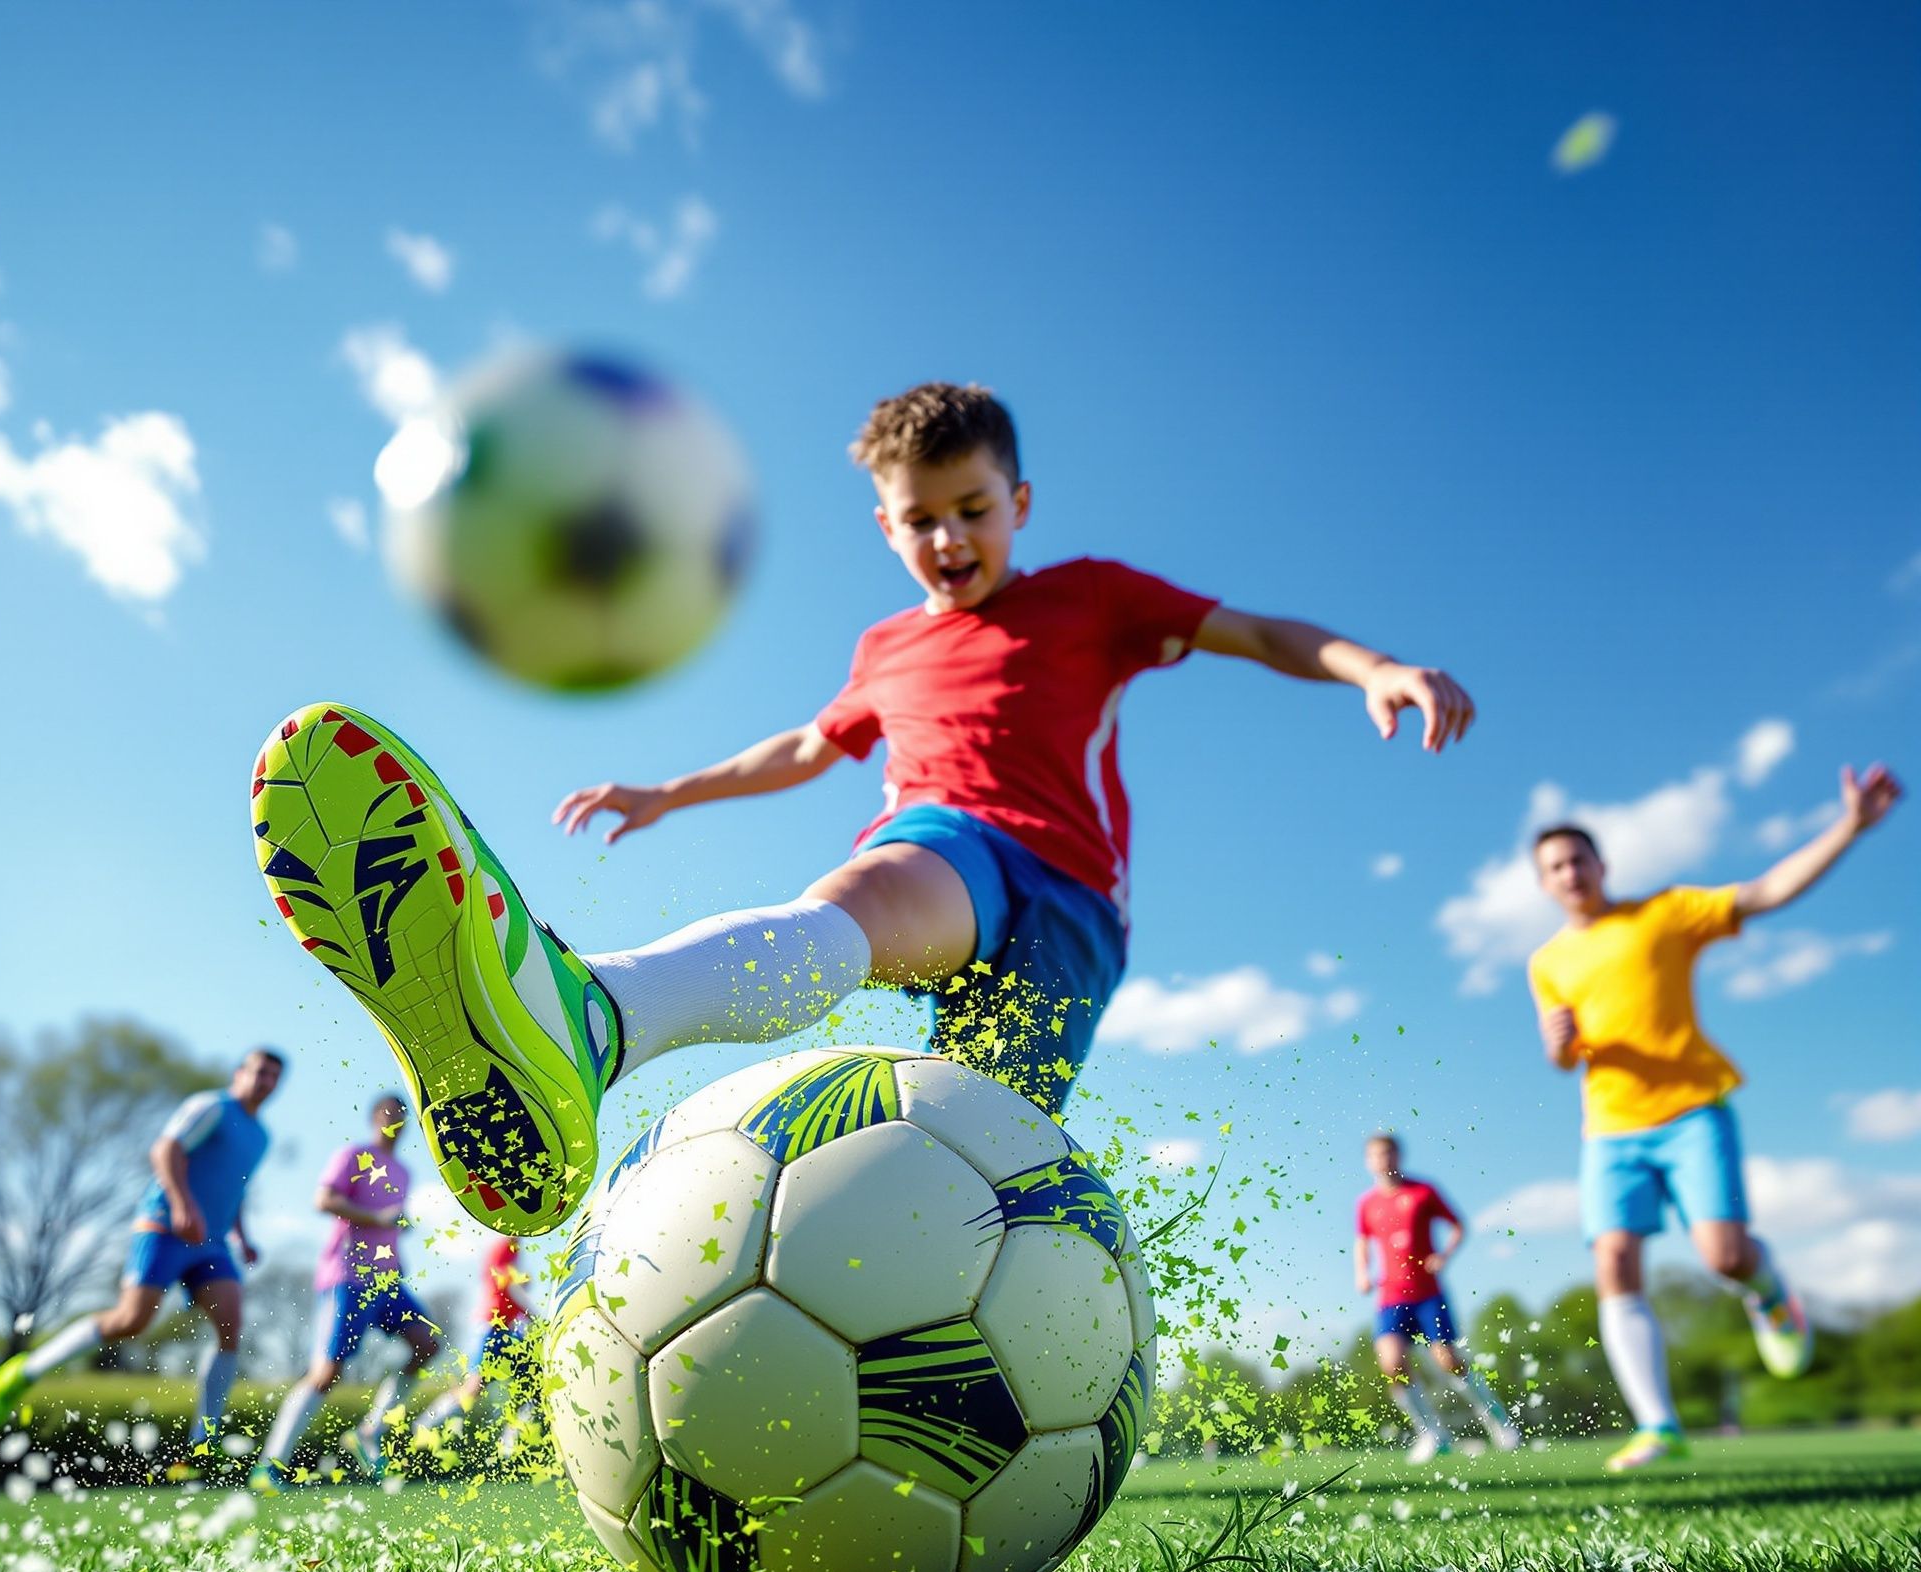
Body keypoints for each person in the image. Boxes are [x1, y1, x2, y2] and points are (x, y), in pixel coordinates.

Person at [251, 381, 1475, 1237]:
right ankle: (589, 1014)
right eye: (920, 518)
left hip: (1075, 912)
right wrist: (669, 791)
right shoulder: (886, 647)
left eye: (971, 509)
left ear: (1020, 503)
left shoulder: (1092, 599)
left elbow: (1253, 629)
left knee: (961, 1173)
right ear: (883, 524)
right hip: (952, 845)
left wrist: (1371, 667)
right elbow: (804, 745)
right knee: (860, 899)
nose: (947, 537)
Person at [1529, 763, 1904, 1472]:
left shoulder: (1664, 914)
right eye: (1554, 866)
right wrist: (1555, 1050)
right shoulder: (1546, 962)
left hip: (1693, 1110)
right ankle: (1659, 1425)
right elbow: (1566, 1053)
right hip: (1608, 1129)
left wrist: (1850, 826)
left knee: (1724, 1256)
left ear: (1600, 864)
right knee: (1613, 1261)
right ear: (1544, 884)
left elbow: (1764, 892)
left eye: (1578, 857)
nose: (1570, 871)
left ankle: (1770, 1291)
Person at [0, 1050, 285, 1444]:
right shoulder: (211, 1107)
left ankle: (201, 1443)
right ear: (239, 1073)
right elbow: (165, 1150)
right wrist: (181, 1204)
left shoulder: (261, 1136)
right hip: (165, 1226)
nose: (265, 1082)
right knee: (131, 1320)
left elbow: (235, 1187)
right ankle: (25, 1371)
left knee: (232, 1326)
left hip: (212, 1243)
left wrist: (242, 1235)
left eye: (274, 1077)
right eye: (259, 1072)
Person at [252, 1092, 443, 1487]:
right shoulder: (355, 1156)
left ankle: (369, 1432)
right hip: (349, 1277)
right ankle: (271, 1465)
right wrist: (376, 1218)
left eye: (404, 1116)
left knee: (428, 1343)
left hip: (389, 1280)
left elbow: (388, 1220)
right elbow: (323, 1200)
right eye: (391, 1114)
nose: (398, 1121)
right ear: (375, 1117)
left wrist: (396, 1226)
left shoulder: (404, 1172)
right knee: (327, 1373)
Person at [1353, 1131, 1519, 1461]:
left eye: (1389, 1153)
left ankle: (1496, 1418)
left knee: (1447, 1360)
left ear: (1398, 1156)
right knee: (1391, 1362)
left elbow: (1458, 1225)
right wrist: (1361, 1271)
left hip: (1428, 1293)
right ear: (1368, 1161)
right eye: (1376, 1155)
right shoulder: (1367, 1203)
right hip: (1390, 1296)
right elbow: (1362, 1240)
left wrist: (1443, 1255)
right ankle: (1431, 1433)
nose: (1383, 1160)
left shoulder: (1423, 1192)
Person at [412, 1235, 537, 1447]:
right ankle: (427, 1423)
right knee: (473, 1387)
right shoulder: (503, 1246)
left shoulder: (514, 1248)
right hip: (492, 1327)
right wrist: (533, 1315)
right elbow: (509, 1286)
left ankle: (511, 1445)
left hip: (507, 1329)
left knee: (532, 1381)